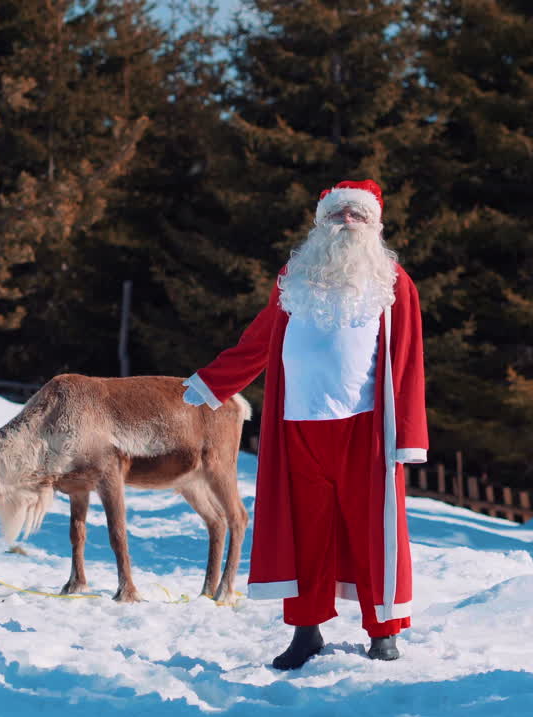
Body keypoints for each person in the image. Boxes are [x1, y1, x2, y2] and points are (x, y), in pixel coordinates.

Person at [181, 179, 427, 670]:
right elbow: (257, 342)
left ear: (373, 226)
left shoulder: (393, 282)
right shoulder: (293, 278)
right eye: (339, 216)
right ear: (321, 224)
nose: (347, 224)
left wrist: (410, 440)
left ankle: (383, 631)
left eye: (358, 216)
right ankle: (306, 630)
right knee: (305, 532)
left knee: (371, 531)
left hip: (366, 430)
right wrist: (211, 385)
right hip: (299, 426)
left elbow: (408, 363)